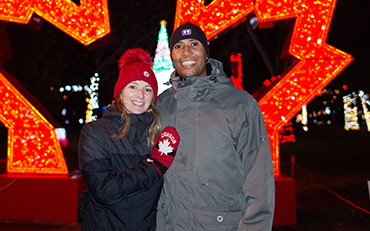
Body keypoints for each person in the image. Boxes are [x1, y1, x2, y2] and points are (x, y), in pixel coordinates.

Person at [156, 22, 275, 231]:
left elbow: (259, 181)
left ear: (206, 52)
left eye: (194, 44)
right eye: (178, 46)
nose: (186, 52)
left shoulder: (240, 105)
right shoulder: (161, 104)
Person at [78, 48, 181, 231]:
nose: (140, 95)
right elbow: (105, 190)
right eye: (133, 86)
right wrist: (155, 166)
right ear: (120, 92)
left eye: (147, 89)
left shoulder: (156, 135)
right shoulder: (94, 132)